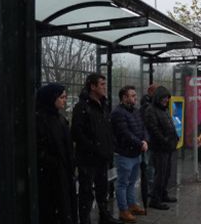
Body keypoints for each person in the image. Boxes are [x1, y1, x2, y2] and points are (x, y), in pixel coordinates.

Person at [71, 73, 115, 224]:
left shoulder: (104, 105)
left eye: (104, 83)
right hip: (87, 159)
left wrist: (109, 148)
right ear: (92, 86)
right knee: (86, 191)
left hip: (102, 157)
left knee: (103, 189)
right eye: (101, 84)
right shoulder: (81, 107)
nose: (104, 87)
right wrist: (94, 148)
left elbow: (108, 130)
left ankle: (104, 216)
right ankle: (85, 220)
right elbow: (77, 133)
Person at [36, 83, 77, 224]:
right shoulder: (40, 119)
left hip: (63, 174)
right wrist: (55, 163)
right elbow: (39, 149)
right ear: (51, 98)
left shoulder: (60, 119)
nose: (65, 100)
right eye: (62, 97)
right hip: (51, 177)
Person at [110, 85, 148, 223]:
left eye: (135, 95)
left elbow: (142, 127)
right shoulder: (118, 113)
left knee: (132, 182)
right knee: (122, 183)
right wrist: (141, 143)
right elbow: (125, 134)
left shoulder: (136, 111)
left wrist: (144, 140)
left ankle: (131, 205)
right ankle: (123, 210)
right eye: (132, 95)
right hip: (124, 154)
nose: (135, 98)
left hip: (136, 153)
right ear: (124, 97)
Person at [144, 86, 178, 210]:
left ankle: (163, 194)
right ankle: (155, 199)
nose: (166, 100)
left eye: (167, 98)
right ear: (158, 98)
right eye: (164, 98)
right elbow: (154, 129)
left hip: (167, 147)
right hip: (160, 148)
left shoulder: (163, 109)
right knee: (160, 174)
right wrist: (164, 140)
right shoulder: (151, 110)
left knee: (166, 173)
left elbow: (169, 125)